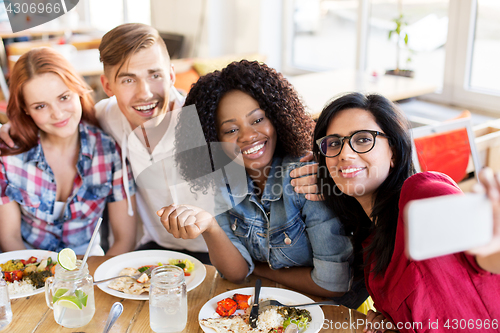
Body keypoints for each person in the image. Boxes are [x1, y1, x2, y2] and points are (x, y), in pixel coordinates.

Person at [157, 60, 358, 301]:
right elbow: (236, 273)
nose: (248, 136)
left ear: (277, 117)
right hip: (274, 309)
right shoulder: (224, 182)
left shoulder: (306, 179)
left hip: (331, 314)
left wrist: (261, 270)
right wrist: (210, 226)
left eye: (257, 120)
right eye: (231, 130)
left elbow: (333, 285)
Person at [313, 92, 500, 332]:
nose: (344, 154)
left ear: (394, 152)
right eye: (334, 143)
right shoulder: (371, 248)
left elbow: (486, 259)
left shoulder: (422, 194)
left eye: (362, 140)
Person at [0, 47, 136, 256]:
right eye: (40, 106)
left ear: (78, 89)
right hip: (28, 265)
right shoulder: (9, 156)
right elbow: (9, 238)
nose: (58, 114)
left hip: (89, 267)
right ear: (26, 109)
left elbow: (124, 239)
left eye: (64, 97)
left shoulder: (108, 150)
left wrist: (94, 281)